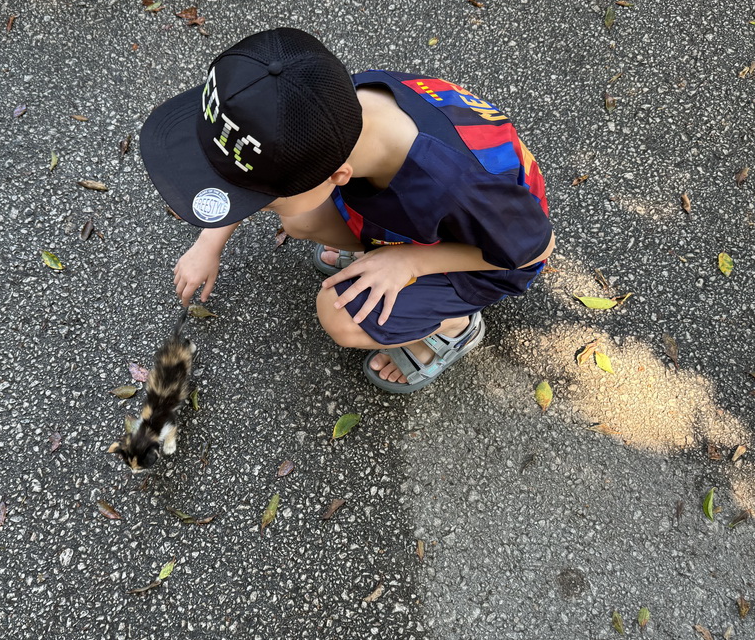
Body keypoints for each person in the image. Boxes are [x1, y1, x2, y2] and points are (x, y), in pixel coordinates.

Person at [139, 28, 553, 393]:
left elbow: (534, 250)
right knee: (298, 218)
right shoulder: (319, 106)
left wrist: (409, 261)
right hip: (423, 214)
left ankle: (455, 328)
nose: (252, 206)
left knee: (339, 315)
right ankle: (383, 249)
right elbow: (248, 165)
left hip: (492, 250)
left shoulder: (457, 184)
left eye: (260, 198)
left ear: (337, 175)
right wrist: (208, 242)